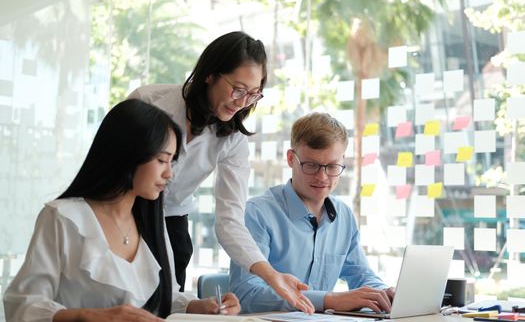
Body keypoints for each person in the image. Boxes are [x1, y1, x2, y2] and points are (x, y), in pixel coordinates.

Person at [3, 99, 240, 322]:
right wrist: (90, 317)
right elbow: (23, 305)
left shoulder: (152, 223)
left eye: (172, 161)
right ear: (128, 154)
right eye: (161, 160)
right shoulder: (63, 218)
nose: (169, 174)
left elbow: (164, 298)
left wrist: (200, 306)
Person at [128, 31, 314, 313]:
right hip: (125, 214)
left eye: (253, 94)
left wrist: (271, 275)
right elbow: (109, 166)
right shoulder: (148, 102)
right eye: (238, 89)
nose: (242, 102)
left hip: (171, 223)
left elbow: (230, 220)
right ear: (210, 75)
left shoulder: (233, 140)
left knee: (166, 306)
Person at [229, 112, 395, 313]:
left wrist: (383, 293)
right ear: (291, 159)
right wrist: (329, 300)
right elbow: (246, 295)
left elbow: (361, 275)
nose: (322, 177)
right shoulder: (257, 214)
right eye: (312, 165)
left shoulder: (343, 216)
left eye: (332, 166)